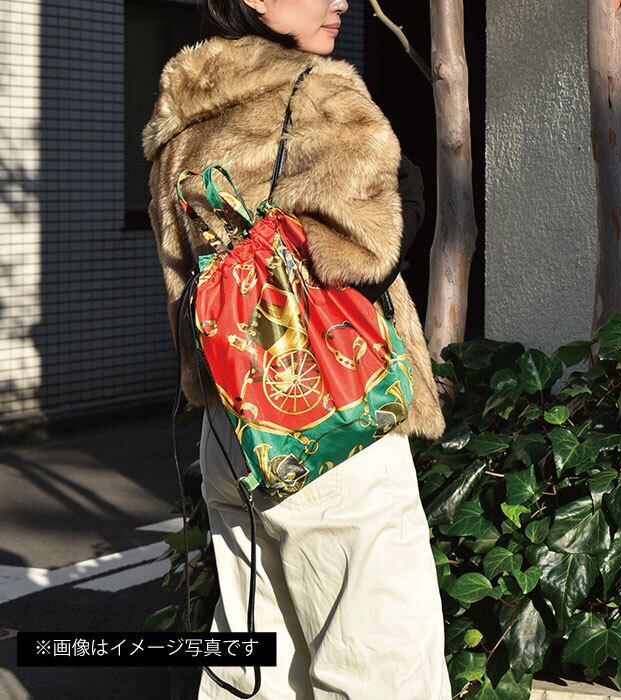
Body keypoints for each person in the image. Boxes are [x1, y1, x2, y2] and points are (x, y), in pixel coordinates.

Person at [142, 1, 449, 697]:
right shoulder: (317, 92)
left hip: (232, 430)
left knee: (254, 665)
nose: (341, 0)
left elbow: (187, 284)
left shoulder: (177, 121)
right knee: (379, 667)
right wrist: (406, 196)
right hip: (331, 420)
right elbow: (370, 251)